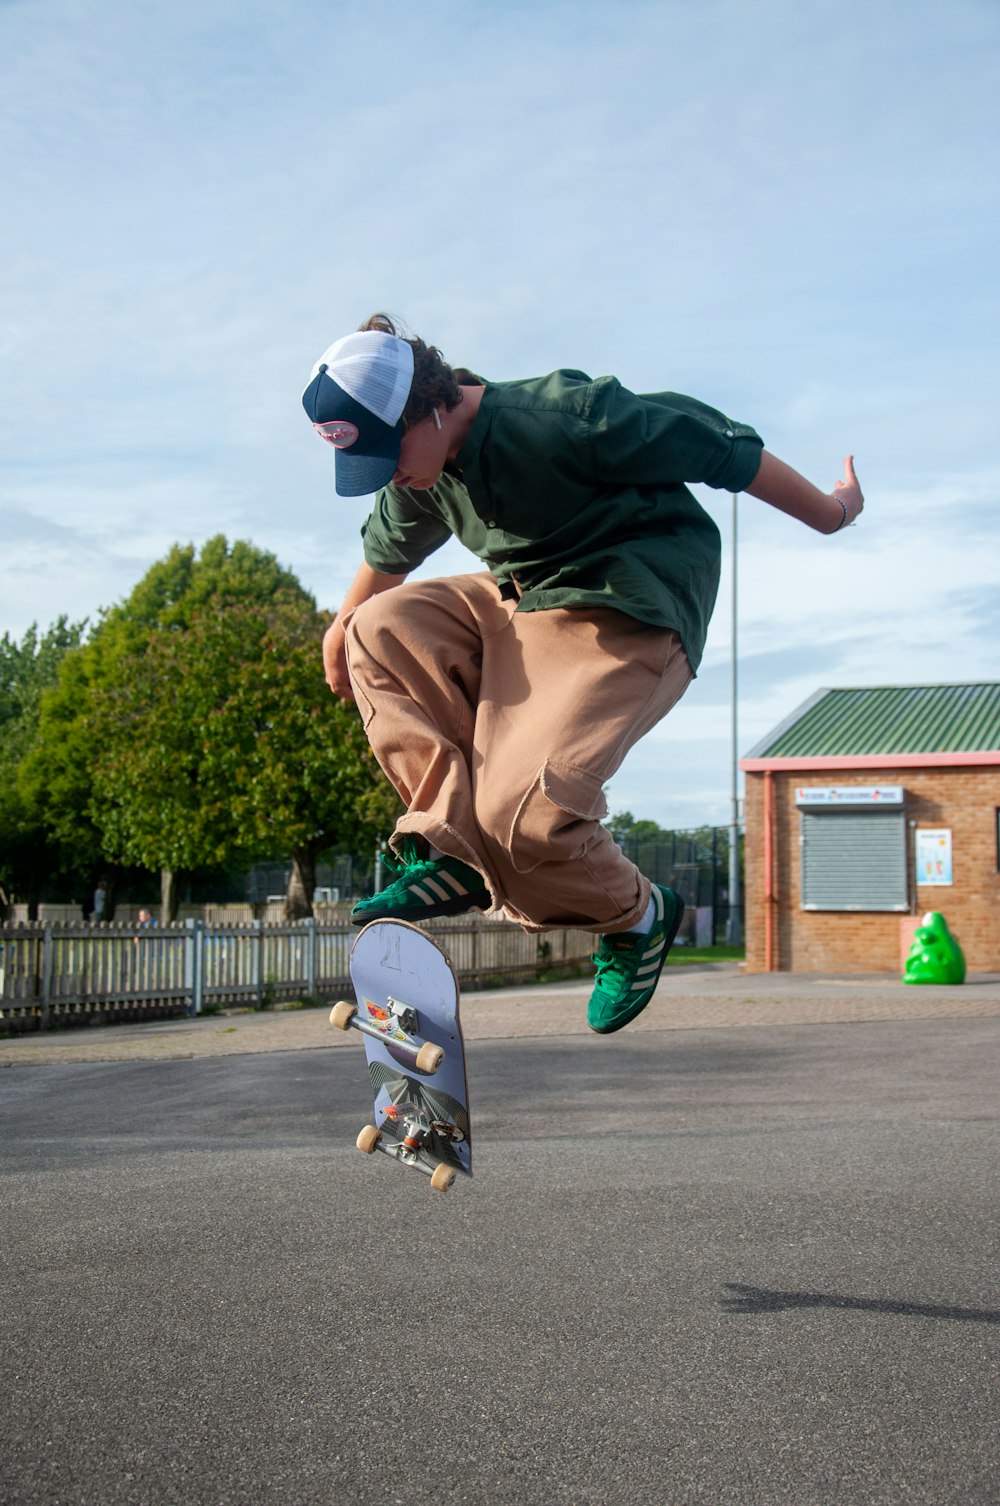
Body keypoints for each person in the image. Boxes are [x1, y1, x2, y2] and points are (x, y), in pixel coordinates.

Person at [302, 315, 863, 1034]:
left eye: (390, 453)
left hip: (627, 604)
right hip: (524, 604)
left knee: (526, 819)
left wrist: (833, 512)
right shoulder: (421, 468)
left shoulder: (565, 416)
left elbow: (722, 448)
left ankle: (639, 917)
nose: (393, 475)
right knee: (372, 627)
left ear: (431, 404)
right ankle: (452, 850)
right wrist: (340, 632)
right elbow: (385, 559)